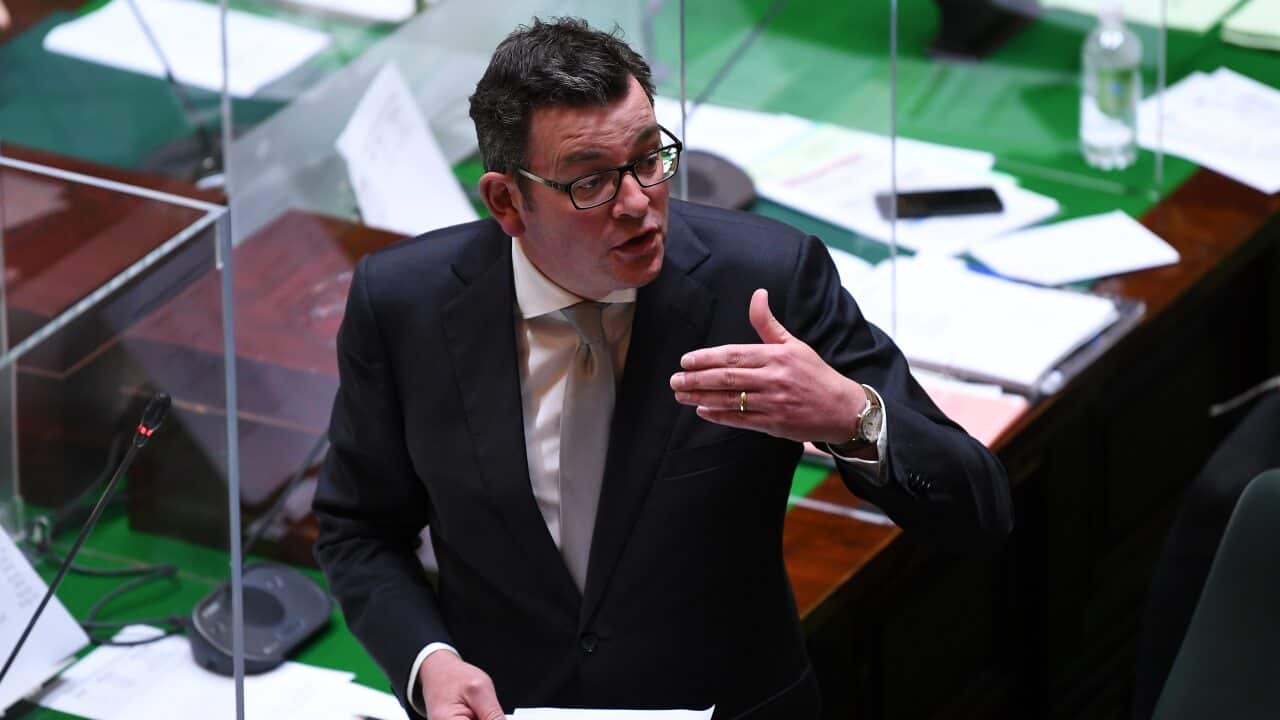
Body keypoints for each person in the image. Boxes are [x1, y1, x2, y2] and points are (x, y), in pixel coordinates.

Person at [313, 17, 1011, 720]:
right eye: (591, 182)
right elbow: (359, 529)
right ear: (506, 201)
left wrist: (851, 418)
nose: (638, 204)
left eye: (650, 158)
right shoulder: (404, 304)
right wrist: (427, 663)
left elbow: (978, 508)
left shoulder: (767, 283)